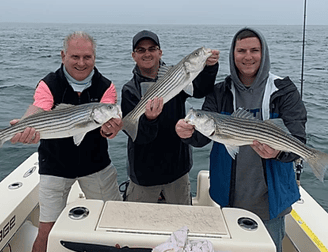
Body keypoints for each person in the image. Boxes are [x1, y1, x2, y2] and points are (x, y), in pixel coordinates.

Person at [176, 27, 307, 252]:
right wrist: (187, 133)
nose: (248, 57)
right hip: (229, 196)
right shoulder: (220, 92)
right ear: (232, 54)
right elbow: (202, 138)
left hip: (271, 200)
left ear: (263, 53)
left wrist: (278, 153)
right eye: (241, 50)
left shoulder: (283, 90)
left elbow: (297, 139)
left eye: (254, 50)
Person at [10, 31, 122, 252]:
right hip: (55, 166)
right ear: (63, 56)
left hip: (96, 164)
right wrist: (25, 124)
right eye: (75, 57)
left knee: (113, 219)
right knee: (46, 231)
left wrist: (111, 130)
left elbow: (111, 119)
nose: (81, 63)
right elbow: (39, 107)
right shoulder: (49, 83)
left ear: (94, 58)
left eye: (87, 57)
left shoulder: (106, 86)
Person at [121, 30, 220, 205]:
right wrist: (149, 120)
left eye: (152, 48)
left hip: (177, 169)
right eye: (141, 50)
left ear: (160, 52)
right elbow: (140, 137)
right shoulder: (129, 90)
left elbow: (200, 90)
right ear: (133, 55)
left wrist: (210, 68)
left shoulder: (175, 75)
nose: (147, 53)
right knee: (139, 225)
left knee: (181, 224)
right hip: (144, 173)